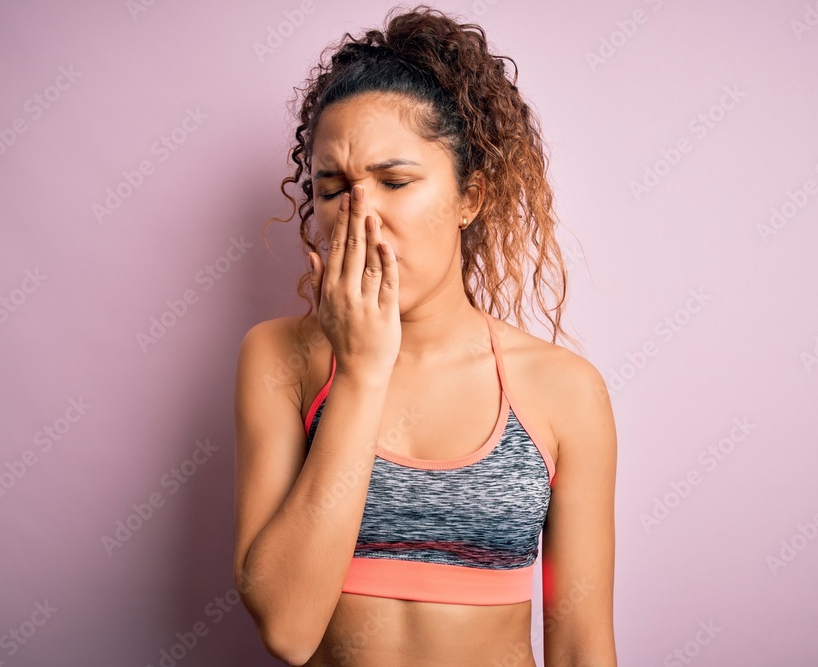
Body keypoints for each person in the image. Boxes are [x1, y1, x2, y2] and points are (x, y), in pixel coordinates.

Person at [233, 5, 617, 665]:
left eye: (395, 181)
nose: (362, 214)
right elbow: (288, 630)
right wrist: (359, 374)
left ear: (470, 196)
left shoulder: (564, 391)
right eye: (333, 188)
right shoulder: (278, 358)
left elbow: (582, 645)